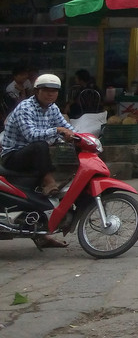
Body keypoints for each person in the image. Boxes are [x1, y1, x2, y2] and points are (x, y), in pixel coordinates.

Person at [0, 74, 75, 248]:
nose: (50, 94)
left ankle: (43, 234)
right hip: (13, 156)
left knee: (46, 149)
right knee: (40, 145)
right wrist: (57, 130)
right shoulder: (25, 108)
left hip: (33, 157)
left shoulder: (53, 108)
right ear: (36, 91)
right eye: (46, 91)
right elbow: (31, 136)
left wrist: (79, 136)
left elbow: (68, 127)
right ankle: (48, 182)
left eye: (54, 91)